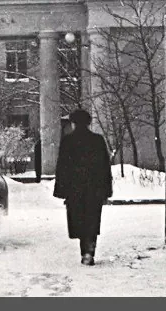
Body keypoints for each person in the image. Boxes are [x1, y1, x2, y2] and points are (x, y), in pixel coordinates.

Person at [53, 109, 112, 266]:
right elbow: (105, 167)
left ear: (73, 123)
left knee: (79, 220)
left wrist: (62, 190)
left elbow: (62, 167)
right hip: (94, 188)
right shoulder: (97, 140)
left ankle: (84, 251)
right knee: (92, 220)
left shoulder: (68, 141)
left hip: (74, 189)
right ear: (88, 122)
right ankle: (89, 250)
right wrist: (106, 190)